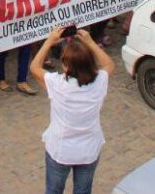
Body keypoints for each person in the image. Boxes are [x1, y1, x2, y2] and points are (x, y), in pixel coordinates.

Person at [29, 27, 115, 194]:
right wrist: (90, 42)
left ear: (67, 66)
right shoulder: (99, 81)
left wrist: (49, 41)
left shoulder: (58, 84)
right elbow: (109, 64)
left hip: (61, 150)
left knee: (54, 190)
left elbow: (34, 68)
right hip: (89, 150)